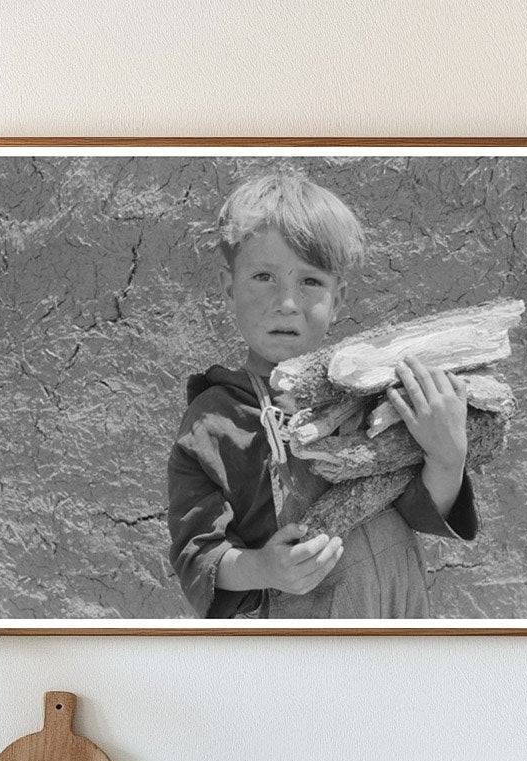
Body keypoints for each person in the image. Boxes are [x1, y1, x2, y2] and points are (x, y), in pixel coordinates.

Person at [166, 172, 478, 619]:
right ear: (229, 287)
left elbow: (419, 510)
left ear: (338, 299)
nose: (287, 303)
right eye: (263, 276)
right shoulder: (213, 421)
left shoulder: (375, 395)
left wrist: (447, 457)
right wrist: (264, 568)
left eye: (310, 281)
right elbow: (197, 557)